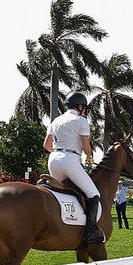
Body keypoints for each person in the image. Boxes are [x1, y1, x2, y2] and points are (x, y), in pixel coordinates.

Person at [42, 91, 105, 244]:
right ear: (81, 106)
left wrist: (58, 154)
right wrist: (89, 158)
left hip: (53, 160)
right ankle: (90, 232)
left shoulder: (56, 120)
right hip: (70, 159)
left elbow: (46, 145)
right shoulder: (81, 121)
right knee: (93, 194)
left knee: (62, 192)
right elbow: (86, 145)